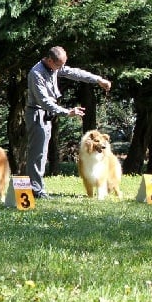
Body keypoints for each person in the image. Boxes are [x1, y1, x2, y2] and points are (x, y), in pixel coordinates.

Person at [25, 46, 111, 199]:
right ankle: (36, 191)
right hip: (37, 113)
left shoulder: (55, 67)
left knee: (42, 154)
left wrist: (98, 80)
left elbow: (76, 73)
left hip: (47, 115)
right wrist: (67, 112)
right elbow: (43, 101)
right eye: (59, 65)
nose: (61, 68)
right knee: (37, 154)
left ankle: (37, 189)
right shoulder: (36, 73)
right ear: (50, 60)